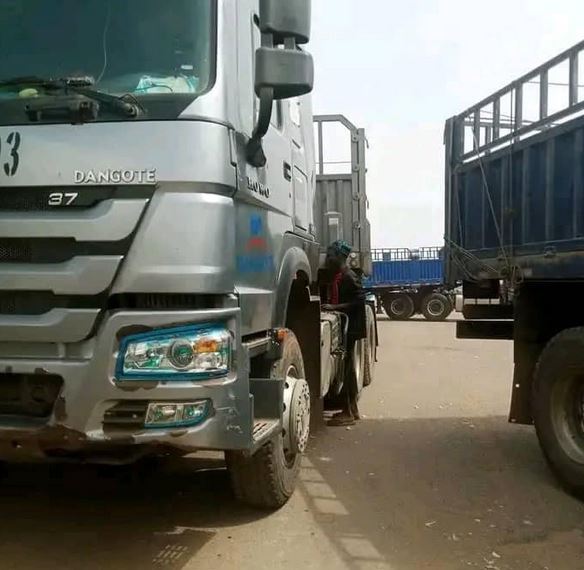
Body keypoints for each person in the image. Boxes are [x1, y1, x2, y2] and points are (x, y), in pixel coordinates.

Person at [319, 240, 367, 426]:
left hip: (352, 328)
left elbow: (359, 301)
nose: (328, 258)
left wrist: (335, 307)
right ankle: (352, 410)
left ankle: (348, 412)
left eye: (331, 255)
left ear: (340, 257)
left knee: (346, 372)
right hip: (348, 327)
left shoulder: (349, 276)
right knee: (347, 371)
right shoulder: (340, 275)